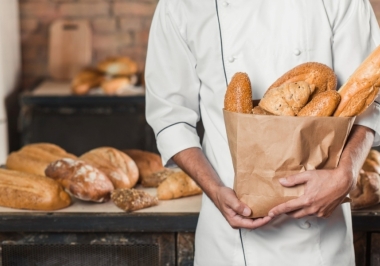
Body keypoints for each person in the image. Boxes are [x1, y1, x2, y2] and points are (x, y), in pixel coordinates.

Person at [145, 0, 380, 265]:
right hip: (229, 244)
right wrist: (215, 190)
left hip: (320, 243)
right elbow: (170, 118)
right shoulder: (180, 6)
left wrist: (346, 174)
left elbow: (368, 97)